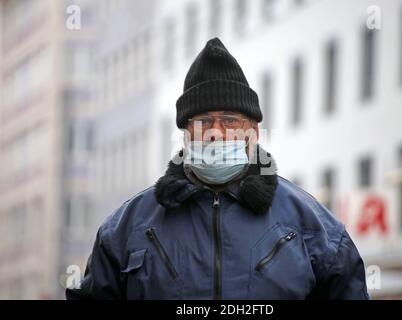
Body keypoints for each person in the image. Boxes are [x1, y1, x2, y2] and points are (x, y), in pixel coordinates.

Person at [66, 37, 369, 300]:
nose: (215, 132)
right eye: (202, 121)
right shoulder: (126, 228)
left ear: (254, 132)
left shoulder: (312, 228)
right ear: (186, 133)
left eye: (230, 120)